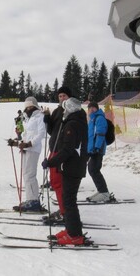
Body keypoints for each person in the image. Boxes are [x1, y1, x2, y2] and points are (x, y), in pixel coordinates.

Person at [42, 97, 89, 245]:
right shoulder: (77, 122)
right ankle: (71, 230)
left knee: (69, 201)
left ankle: (74, 234)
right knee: (68, 199)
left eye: (65, 108)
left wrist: (51, 162)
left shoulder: (72, 124)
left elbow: (67, 149)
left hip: (72, 166)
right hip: (75, 165)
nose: (63, 111)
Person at [8, 97, 45, 212]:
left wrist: (30, 144)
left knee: (30, 174)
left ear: (35, 106)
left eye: (31, 106)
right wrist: (17, 143)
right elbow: (25, 135)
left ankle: (34, 201)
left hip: (33, 149)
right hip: (26, 149)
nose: (29, 108)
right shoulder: (28, 118)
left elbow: (41, 134)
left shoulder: (40, 117)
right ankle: (31, 199)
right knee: (26, 174)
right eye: (27, 107)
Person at [42, 86, 72, 221]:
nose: (62, 98)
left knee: (58, 182)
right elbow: (52, 131)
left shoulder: (71, 111)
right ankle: (63, 209)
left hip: (62, 150)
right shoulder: (58, 111)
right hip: (54, 148)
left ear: (69, 97)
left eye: (64, 96)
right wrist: (47, 119)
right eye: (60, 96)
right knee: (55, 182)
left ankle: (65, 212)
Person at [86, 102, 112, 202]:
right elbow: (90, 136)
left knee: (94, 169)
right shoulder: (92, 120)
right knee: (92, 169)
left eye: (93, 108)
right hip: (93, 149)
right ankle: (101, 191)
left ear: (97, 109)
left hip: (98, 149)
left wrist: (96, 148)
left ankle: (104, 193)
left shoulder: (99, 118)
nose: (91, 110)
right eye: (90, 108)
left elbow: (100, 134)